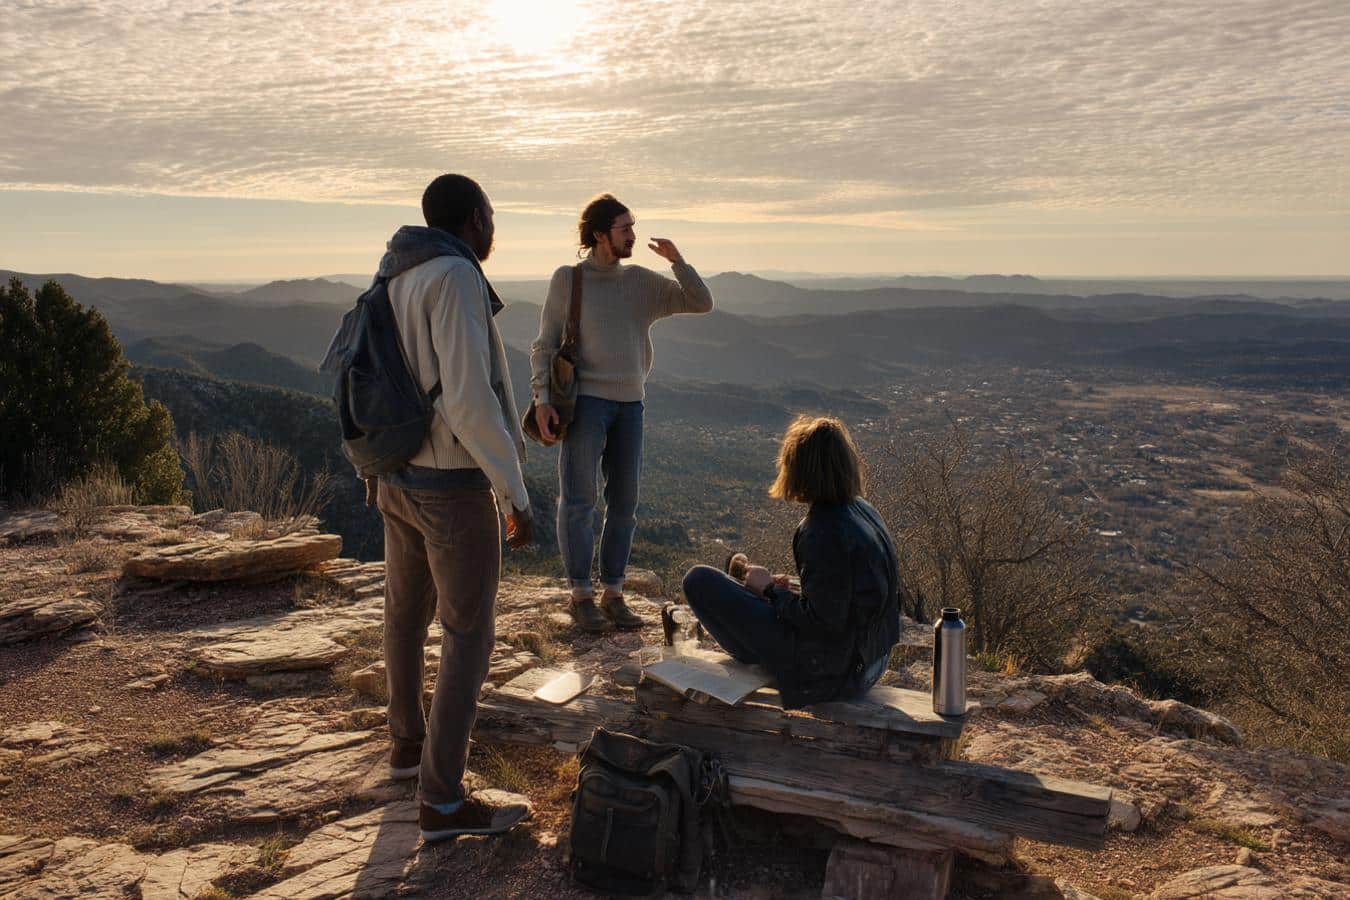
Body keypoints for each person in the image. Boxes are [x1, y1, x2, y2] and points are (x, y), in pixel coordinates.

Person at [374, 173, 533, 842]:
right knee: (467, 634)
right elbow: (469, 399)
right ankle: (441, 801)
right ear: (473, 219)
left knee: (405, 616)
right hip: (450, 481)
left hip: (396, 474)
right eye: (490, 214)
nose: (493, 225)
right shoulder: (457, 276)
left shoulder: (396, 272)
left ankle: (407, 748)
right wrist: (513, 489)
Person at [530, 194, 714, 632]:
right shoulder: (569, 279)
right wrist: (541, 399)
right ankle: (581, 596)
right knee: (580, 501)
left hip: (632, 405)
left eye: (633, 226)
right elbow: (545, 344)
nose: (633, 235)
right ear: (599, 234)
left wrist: (678, 261)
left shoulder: (641, 281)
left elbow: (700, 302)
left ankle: (613, 594)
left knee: (624, 503)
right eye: (625, 228)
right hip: (585, 403)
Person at [680, 416, 901, 709]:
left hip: (836, 674)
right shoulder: (863, 510)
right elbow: (844, 601)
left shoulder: (821, 530)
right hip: (872, 659)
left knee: (699, 580)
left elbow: (823, 625)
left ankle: (760, 657)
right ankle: (750, 596)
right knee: (743, 584)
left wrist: (771, 591)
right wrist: (794, 591)